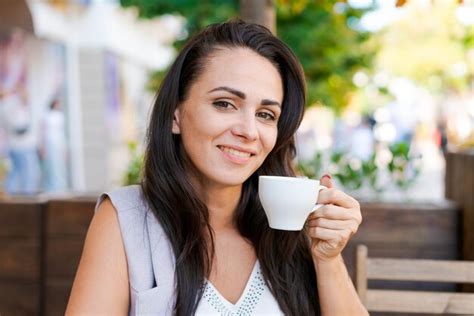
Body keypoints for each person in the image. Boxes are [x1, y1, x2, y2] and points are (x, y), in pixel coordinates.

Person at [66, 20, 367, 315]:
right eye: (224, 104)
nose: (249, 131)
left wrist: (327, 259)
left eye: (265, 114)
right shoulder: (126, 219)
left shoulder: (290, 226)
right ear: (176, 115)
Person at [40, 98, 67, 192]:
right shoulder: (47, 115)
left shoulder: (60, 116)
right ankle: (51, 188)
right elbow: (43, 131)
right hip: (49, 143)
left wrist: (64, 149)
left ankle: (60, 188)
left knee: (59, 166)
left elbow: (62, 133)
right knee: (51, 166)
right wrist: (42, 147)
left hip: (58, 143)